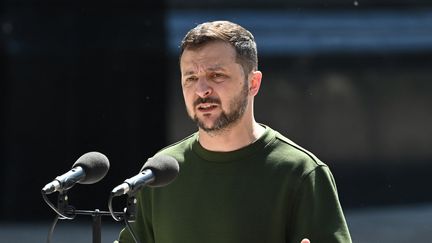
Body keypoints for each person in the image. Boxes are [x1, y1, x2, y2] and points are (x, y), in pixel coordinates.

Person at [118, 20, 352, 243]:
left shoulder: (301, 173)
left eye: (216, 75)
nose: (201, 90)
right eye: (191, 77)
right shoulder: (160, 173)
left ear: (253, 83)